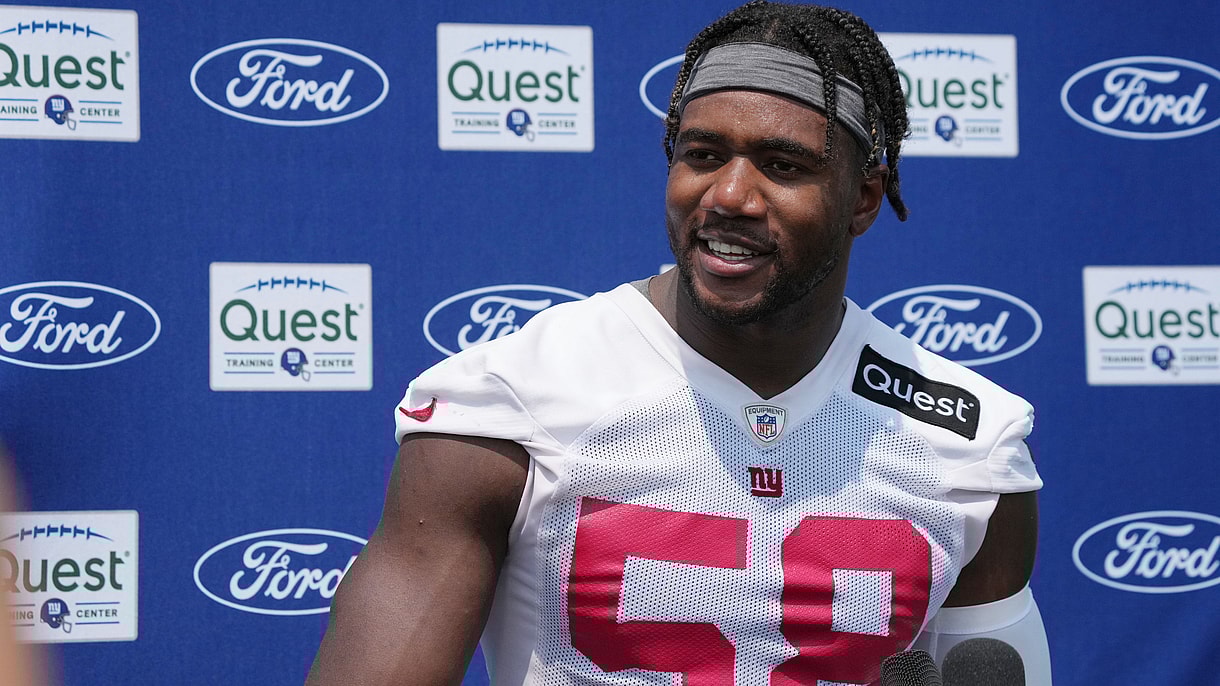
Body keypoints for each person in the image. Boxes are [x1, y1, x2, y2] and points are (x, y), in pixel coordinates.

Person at [307, 2, 1052, 684]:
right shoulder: (505, 403)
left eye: (782, 165)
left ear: (862, 198)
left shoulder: (970, 438)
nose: (729, 195)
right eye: (701, 155)